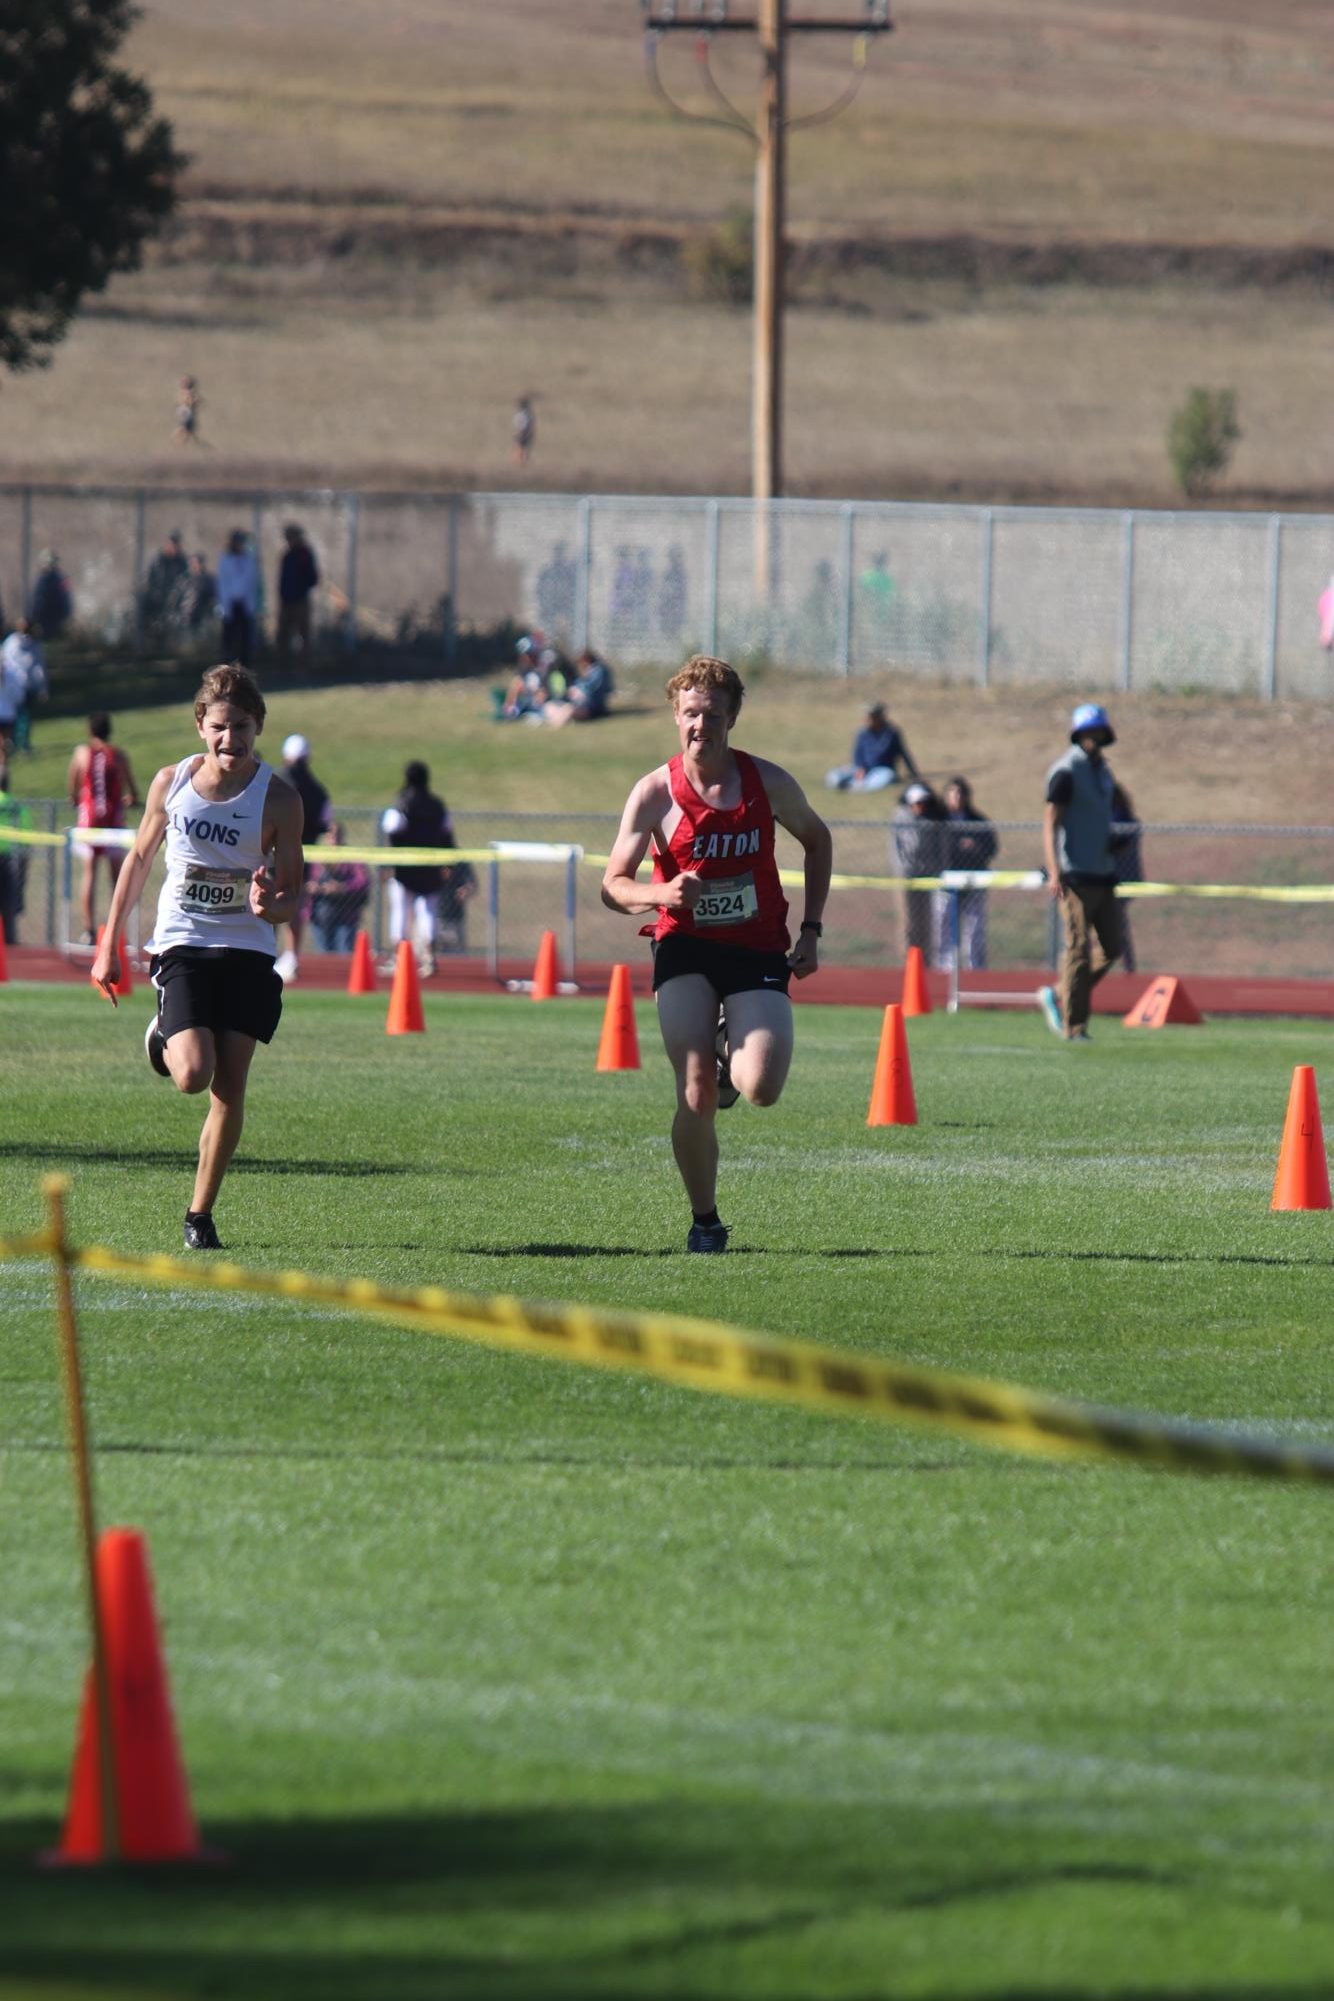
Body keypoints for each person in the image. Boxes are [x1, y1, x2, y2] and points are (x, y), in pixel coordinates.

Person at [601, 654, 832, 1254]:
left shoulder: (768, 783)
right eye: (689, 715)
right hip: (685, 946)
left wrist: (811, 930)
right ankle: (705, 1219)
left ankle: (736, 1057)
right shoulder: (654, 792)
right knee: (694, 1088)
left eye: (711, 715)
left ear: (732, 718)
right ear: (675, 716)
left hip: (756, 946)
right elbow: (613, 883)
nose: (699, 726)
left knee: (761, 1088)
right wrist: (660, 893)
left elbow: (818, 839)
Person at [89, 664, 304, 1251]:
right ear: (200, 727)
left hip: (248, 951)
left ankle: (199, 1215)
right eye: (218, 727)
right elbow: (136, 860)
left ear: (257, 727)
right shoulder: (171, 782)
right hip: (184, 942)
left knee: (229, 1086)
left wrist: (270, 903)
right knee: (192, 1074)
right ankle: (164, 1031)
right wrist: (110, 944)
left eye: (240, 727)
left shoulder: (280, 800)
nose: (229, 739)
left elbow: (292, 895)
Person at [1038, 703, 1123, 1043]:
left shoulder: (1103, 772)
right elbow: (1050, 822)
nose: (1093, 739)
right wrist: (1054, 870)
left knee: (1112, 947)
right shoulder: (1066, 771)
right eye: (1087, 732)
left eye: (1098, 732)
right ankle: (1074, 1027)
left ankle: (1059, 992)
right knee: (1077, 949)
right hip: (1073, 876)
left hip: (1102, 871)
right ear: (1078, 734)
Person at [68, 713, 140, 946]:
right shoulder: (118, 755)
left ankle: (88, 930)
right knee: (116, 877)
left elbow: (73, 784)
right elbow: (133, 790)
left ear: (90, 731)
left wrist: (76, 799)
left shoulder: (82, 753)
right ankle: (114, 929)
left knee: (89, 873)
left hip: (89, 820)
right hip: (113, 821)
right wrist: (129, 799)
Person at [381, 762, 453, 977]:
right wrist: (448, 862)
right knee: (428, 911)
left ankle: (399, 957)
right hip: (431, 865)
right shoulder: (437, 805)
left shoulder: (403, 803)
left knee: (401, 911)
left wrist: (387, 863)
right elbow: (447, 834)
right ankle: (429, 957)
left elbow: (391, 829)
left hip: (405, 867)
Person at [274, 733, 331, 983]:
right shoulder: (318, 790)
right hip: (303, 854)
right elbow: (324, 823)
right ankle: (291, 955)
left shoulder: (275, 781)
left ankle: (266, 953)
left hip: (271, 852)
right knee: (294, 905)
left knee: (266, 901)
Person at [936, 775, 998, 972]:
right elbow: (932, 849)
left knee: (974, 930)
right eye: (953, 793)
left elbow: (991, 847)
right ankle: (945, 968)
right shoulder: (938, 821)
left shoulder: (977, 821)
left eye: (961, 793)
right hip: (945, 884)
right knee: (943, 929)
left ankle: (975, 970)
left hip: (973, 883)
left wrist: (974, 847)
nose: (957, 797)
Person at [892, 781, 946, 964]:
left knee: (927, 921)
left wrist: (936, 868)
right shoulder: (901, 818)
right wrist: (903, 869)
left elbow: (939, 847)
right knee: (909, 921)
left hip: (928, 876)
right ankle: (908, 959)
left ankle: (926, 961)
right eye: (916, 802)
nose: (919, 806)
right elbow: (895, 848)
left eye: (923, 802)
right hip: (907, 876)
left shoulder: (932, 819)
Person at [825, 701, 921, 792]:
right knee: (835, 775)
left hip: (882, 770)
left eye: (869, 717)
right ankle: (846, 783)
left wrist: (913, 773)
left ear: (879, 717)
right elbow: (857, 754)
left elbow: (903, 753)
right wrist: (861, 769)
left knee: (885, 778)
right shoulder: (862, 733)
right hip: (862, 768)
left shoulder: (891, 733)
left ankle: (853, 786)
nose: (866, 719)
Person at [307, 822, 371, 954]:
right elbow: (307, 880)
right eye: (330, 835)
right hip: (321, 915)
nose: (333, 839)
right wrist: (313, 886)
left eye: (337, 835)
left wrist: (342, 887)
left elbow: (363, 881)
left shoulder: (351, 856)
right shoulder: (317, 856)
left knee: (345, 953)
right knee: (323, 954)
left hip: (346, 915)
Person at [276, 524, 320, 668]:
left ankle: (304, 667)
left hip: (300, 600)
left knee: (303, 635)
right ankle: (283, 666)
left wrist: (300, 588)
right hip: (286, 601)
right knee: (283, 635)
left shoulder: (305, 554)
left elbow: (313, 578)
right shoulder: (286, 555)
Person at [0, 618, 46, 754]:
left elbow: (39, 667)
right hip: (11, 686)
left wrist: (42, 687)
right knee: (15, 716)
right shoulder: (11, 644)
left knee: (24, 716)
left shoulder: (34, 644)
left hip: (26, 685)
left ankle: (22, 744)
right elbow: (7, 665)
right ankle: (12, 744)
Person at [1110, 781, 1143, 974]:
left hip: (1118, 882)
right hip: (1105, 882)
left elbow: (1118, 842)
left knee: (1118, 930)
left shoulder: (1121, 817)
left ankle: (1129, 973)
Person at [0, 754, 32, 945]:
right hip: (12, 860)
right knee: (9, 907)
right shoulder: (18, 807)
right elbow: (26, 839)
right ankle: (9, 946)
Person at [217, 529, 260, 668]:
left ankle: (244, 667)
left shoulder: (248, 560)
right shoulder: (226, 559)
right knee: (229, 639)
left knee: (245, 639)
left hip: (244, 604)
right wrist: (225, 604)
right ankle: (226, 667)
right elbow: (223, 583)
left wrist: (251, 604)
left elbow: (251, 582)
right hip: (230, 604)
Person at [544, 648, 613, 727]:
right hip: (576, 703)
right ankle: (560, 719)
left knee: (569, 709)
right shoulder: (588, 674)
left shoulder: (599, 670)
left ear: (586, 661)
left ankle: (558, 722)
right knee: (549, 706)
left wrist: (578, 691)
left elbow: (591, 691)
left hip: (591, 707)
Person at [141, 530, 189, 639]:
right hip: (156, 597)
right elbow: (150, 579)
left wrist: (173, 597)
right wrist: (154, 593)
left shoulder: (182, 562)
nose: (169, 548)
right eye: (168, 544)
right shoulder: (158, 559)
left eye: (173, 545)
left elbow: (184, 584)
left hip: (173, 600)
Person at [28, 552, 72, 639]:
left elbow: (38, 601)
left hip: (49, 621)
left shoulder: (46, 579)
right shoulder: (59, 578)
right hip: (53, 621)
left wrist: (34, 617)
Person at [172, 375, 203, 446]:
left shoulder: (186, 392)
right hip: (186, 411)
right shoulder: (187, 393)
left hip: (186, 411)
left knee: (188, 430)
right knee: (184, 428)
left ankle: (181, 442)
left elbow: (180, 402)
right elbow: (187, 402)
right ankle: (176, 440)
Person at [512, 395, 535, 467]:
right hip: (524, 432)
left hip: (522, 432)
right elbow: (530, 424)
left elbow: (517, 424)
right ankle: (521, 462)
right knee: (523, 448)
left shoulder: (521, 414)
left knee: (520, 448)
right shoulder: (527, 414)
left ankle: (520, 462)